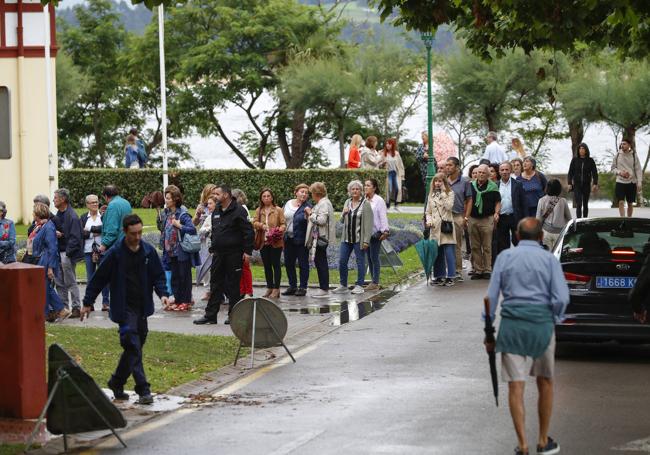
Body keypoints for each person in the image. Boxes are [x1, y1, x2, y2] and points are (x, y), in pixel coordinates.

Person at [485, 217, 569, 455]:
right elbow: (562, 298)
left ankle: (522, 445)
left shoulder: (504, 258)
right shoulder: (549, 260)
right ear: (541, 237)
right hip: (541, 325)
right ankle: (543, 440)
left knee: (516, 386)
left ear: (517, 237)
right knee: (545, 381)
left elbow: (491, 298)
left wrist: (488, 331)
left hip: (512, 326)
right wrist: (555, 317)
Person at [81, 214, 170, 405]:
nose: (137, 237)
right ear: (125, 232)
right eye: (133, 234)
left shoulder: (148, 251)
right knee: (133, 346)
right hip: (123, 308)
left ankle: (116, 382)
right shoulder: (115, 253)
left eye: (140, 233)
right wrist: (88, 302)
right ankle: (143, 390)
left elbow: (158, 275)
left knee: (133, 349)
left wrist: (163, 293)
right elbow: (99, 278)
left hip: (142, 308)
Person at [195, 184, 254, 325]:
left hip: (234, 253)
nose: (214, 196)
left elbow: (248, 232)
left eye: (217, 194)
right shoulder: (216, 210)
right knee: (215, 284)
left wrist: (247, 252)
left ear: (226, 195)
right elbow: (215, 230)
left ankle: (234, 315)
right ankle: (210, 315)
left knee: (233, 285)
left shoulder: (238, 211)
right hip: (218, 253)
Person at [159, 185, 199, 311]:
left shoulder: (182, 214)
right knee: (175, 277)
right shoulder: (166, 213)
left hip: (181, 250)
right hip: (170, 251)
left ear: (175, 199)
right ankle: (177, 299)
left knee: (184, 277)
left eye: (168, 198)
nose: (166, 200)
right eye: (166, 198)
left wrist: (179, 225)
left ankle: (186, 301)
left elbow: (192, 229)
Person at [30, 202, 70, 322]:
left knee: (44, 288)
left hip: (46, 261)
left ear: (38, 214)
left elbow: (52, 248)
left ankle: (48, 313)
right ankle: (59, 310)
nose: (32, 214)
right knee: (45, 288)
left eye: (34, 212)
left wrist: (50, 268)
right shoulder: (42, 226)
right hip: (42, 260)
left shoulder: (49, 227)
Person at [333, 180, 373, 295]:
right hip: (346, 239)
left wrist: (366, 241)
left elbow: (369, 224)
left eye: (357, 189)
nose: (355, 191)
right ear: (349, 191)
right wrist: (343, 214)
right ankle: (343, 285)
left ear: (361, 191)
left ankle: (359, 285)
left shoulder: (365, 204)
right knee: (342, 261)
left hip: (359, 239)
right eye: (353, 189)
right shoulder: (347, 202)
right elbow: (341, 221)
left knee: (360, 262)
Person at [465, 164, 501, 279]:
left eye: (483, 173)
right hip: (473, 219)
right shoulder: (470, 186)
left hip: (487, 219)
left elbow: (498, 202)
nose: (480, 174)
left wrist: (496, 213)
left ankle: (487, 270)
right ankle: (478, 270)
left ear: (488, 175)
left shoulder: (493, 186)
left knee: (486, 246)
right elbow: (466, 201)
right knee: (475, 246)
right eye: (479, 172)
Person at [53, 188, 84, 318]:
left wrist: (67, 254)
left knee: (70, 281)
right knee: (59, 282)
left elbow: (76, 238)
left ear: (63, 199)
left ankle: (76, 308)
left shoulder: (72, 216)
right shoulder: (58, 215)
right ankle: (64, 308)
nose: (53, 200)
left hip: (67, 253)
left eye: (55, 198)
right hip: (58, 253)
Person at [253, 188, 286, 299]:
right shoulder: (259, 210)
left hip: (275, 241)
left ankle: (276, 289)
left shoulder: (278, 210)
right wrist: (261, 226)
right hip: (263, 241)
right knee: (267, 265)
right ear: (261, 198)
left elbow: (283, 224)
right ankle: (269, 287)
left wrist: (279, 229)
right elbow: (254, 223)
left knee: (275, 265)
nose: (266, 198)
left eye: (268, 196)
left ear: (272, 197)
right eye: (264, 196)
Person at [425, 173, 456, 286]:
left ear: (444, 182)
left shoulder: (450, 193)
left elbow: (449, 207)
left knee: (449, 253)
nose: (437, 183)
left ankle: (451, 276)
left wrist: (443, 193)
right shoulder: (431, 195)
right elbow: (428, 211)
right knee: (436, 253)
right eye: (436, 181)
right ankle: (439, 276)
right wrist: (428, 221)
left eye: (440, 181)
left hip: (445, 227)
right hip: (434, 227)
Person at [305, 182, 335, 298]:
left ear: (316, 193)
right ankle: (323, 287)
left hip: (320, 237)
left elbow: (321, 220)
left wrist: (310, 213)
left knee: (321, 262)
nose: (311, 195)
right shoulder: (322, 203)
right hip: (319, 237)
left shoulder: (323, 204)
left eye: (312, 193)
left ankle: (324, 289)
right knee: (320, 261)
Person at [80, 194, 110, 311]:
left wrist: (90, 230)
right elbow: (81, 233)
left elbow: (105, 230)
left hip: (102, 250)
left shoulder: (103, 216)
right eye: (92, 202)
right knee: (90, 278)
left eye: (96, 202)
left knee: (104, 277)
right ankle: (89, 303)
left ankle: (105, 302)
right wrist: (94, 232)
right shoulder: (83, 218)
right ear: (87, 205)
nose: (95, 204)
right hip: (88, 251)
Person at [282, 184, 312, 297]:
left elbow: (311, 222)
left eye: (306, 192)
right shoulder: (288, 203)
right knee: (289, 263)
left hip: (301, 240)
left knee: (303, 264)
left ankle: (303, 287)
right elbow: (282, 217)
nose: (304, 194)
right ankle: (292, 286)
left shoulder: (308, 207)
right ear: (296, 192)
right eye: (301, 192)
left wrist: (308, 214)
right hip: (288, 238)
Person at [445, 157, 472, 281]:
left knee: (456, 244)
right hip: (444, 216)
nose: (447, 167)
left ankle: (457, 270)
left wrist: (466, 216)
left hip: (457, 216)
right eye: (447, 165)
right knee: (444, 244)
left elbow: (469, 200)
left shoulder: (465, 182)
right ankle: (447, 270)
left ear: (457, 167)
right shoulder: (443, 180)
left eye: (450, 165)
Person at [364, 178, 389, 290]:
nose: (366, 187)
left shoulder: (379, 200)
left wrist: (385, 231)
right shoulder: (364, 200)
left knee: (374, 256)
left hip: (376, 232)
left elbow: (383, 216)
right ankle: (373, 281)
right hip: (365, 233)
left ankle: (375, 282)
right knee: (368, 257)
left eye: (368, 185)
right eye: (365, 185)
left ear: (374, 188)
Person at [496, 162, 526, 255]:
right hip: (501, 218)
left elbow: (523, 203)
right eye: (502, 170)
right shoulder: (495, 185)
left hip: (515, 217)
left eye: (506, 169)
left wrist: (524, 219)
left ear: (510, 170)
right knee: (503, 244)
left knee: (518, 241)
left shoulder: (518, 184)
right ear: (499, 172)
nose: (504, 172)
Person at [536, 179, 572, 251]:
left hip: (546, 232)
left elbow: (538, 220)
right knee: (558, 254)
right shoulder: (563, 201)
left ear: (547, 188)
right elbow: (569, 219)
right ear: (559, 189)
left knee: (547, 254)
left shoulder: (541, 200)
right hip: (559, 233)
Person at [611, 138, 643, 218]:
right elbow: (613, 169)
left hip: (631, 182)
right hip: (620, 182)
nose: (622, 145)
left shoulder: (634, 155)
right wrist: (620, 172)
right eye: (621, 144)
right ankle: (622, 219)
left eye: (624, 144)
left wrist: (639, 182)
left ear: (629, 145)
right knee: (621, 202)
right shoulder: (617, 155)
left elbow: (638, 169)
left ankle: (629, 219)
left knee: (630, 203)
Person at [567, 142, 598, 218]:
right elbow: (570, 172)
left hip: (586, 185)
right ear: (578, 150)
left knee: (585, 204)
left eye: (583, 148)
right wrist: (569, 183)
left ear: (586, 150)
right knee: (579, 203)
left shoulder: (590, 160)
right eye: (580, 149)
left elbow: (595, 173)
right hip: (577, 185)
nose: (581, 150)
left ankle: (585, 220)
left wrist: (595, 184)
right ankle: (578, 221)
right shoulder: (574, 160)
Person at [233, 189, 253, 298]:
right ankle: (242, 290)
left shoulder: (242, 209)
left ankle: (248, 291)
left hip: (242, 243)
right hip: (239, 243)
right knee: (240, 269)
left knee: (245, 269)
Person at [100, 185, 132, 253]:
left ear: (105, 196)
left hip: (116, 247)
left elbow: (112, 230)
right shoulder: (126, 202)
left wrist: (104, 244)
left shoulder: (112, 205)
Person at [380, 138, 405, 210]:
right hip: (388, 173)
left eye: (389, 144)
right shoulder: (383, 153)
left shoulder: (396, 153)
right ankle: (388, 204)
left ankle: (396, 204)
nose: (387, 145)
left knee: (398, 189)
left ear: (392, 145)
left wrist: (402, 175)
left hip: (396, 173)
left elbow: (400, 165)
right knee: (389, 189)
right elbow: (379, 164)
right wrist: (382, 163)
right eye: (387, 143)